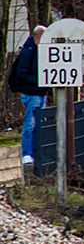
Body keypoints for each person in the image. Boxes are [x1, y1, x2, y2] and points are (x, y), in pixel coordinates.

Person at [7, 24, 48, 171]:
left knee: (38, 123)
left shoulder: (40, 50)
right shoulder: (28, 51)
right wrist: (39, 81)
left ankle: (35, 152)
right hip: (32, 92)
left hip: (41, 91)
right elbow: (21, 73)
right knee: (30, 123)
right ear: (38, 37)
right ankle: (27, 154)